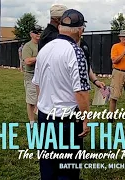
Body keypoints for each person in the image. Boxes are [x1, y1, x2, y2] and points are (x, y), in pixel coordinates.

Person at [32, 9, 90, 180]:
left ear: (60, 27)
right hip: (67, 120)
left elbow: (38, 84)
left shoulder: (44, 49)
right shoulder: (76, 52)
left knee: (48, 167)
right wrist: (85, 120)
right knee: (67, 170)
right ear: (80, 30)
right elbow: (80, 92)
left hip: (45, 116)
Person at [39, 4, 105, 89]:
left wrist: (95, 80)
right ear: (57, 20)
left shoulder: (60, 38)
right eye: (66, 18)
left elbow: (82, 62)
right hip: (64, 89)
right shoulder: (53, 38)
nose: (69, 20)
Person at [22, 25, 43, 128]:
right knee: (32, 101)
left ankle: (41, 120)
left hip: (43, 76)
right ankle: (32, 122)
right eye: (36, 32)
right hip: (31, 76)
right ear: (31, 34)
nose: (38, 34)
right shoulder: (28, 46)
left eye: (40, 32)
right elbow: (27, 61)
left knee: (42, 99)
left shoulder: (43, 45)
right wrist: (40, 57)